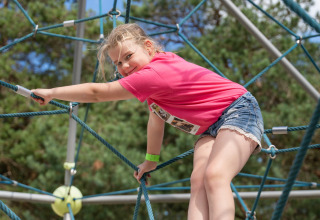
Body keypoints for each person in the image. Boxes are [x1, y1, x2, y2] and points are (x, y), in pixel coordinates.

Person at [32, 23, 264, 220]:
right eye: (117, 63)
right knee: (198, 181)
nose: (123, 66)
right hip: (211, 127)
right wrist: (151, 160)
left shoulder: (156, 73)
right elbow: (155, 123)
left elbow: (97, 93)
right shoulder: (153, 92)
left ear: (148, 47)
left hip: (237, 110)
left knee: (215, 174)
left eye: (128, 56)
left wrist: (53, 92)